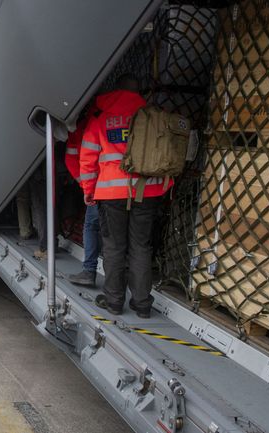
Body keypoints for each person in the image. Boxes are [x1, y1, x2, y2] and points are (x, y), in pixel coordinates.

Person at [78, 75, 171, 318]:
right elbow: (167, 155)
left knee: (114, 248)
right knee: (141, 247)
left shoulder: (101, 116)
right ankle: (142, 305)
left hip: (111, 194)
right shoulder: (152, 114)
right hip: (147, 192)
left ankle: (114, 302)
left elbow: (87, 157)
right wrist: (163, 186)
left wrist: (89, 191)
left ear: (115, 90)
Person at [64, 113, 100, 287]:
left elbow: (73, 159)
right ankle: (120, 283)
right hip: (135, 190)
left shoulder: (91, 124)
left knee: (92, 226)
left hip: (101, 188)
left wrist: (86, 186)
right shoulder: (139, 116)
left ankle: (89, 271)